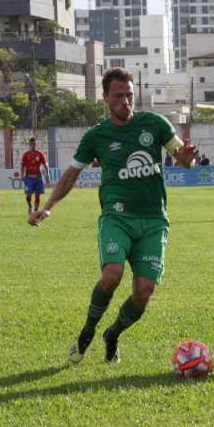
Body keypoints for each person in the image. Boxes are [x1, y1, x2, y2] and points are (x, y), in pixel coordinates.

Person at [29, 68, 198, 364]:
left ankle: (113, 334)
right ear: (106, 98)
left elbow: (183, 156)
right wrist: (49, 205)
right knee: (112, 275)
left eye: (130, 95)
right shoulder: (97, 136)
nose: (126, 101)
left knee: (144, 292)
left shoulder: (154, 124)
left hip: (153, 220)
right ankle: (87, 331)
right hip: (117, 218)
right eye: (119, 96)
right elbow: (71, 174)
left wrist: (187, 160)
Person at [20, 137, 49, 213]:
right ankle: (30, 206)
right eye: (31, 144)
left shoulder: (39, 154)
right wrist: (22, 175)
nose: (32, 145)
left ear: (36, 144)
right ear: (29, 145)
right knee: (28, 195)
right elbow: (22, 165)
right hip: (29, 178)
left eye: (34, 144)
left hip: (38, 178)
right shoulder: (26, 155)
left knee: (37, 195)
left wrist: (47, 174)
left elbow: (45, 164)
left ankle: (36, 210)